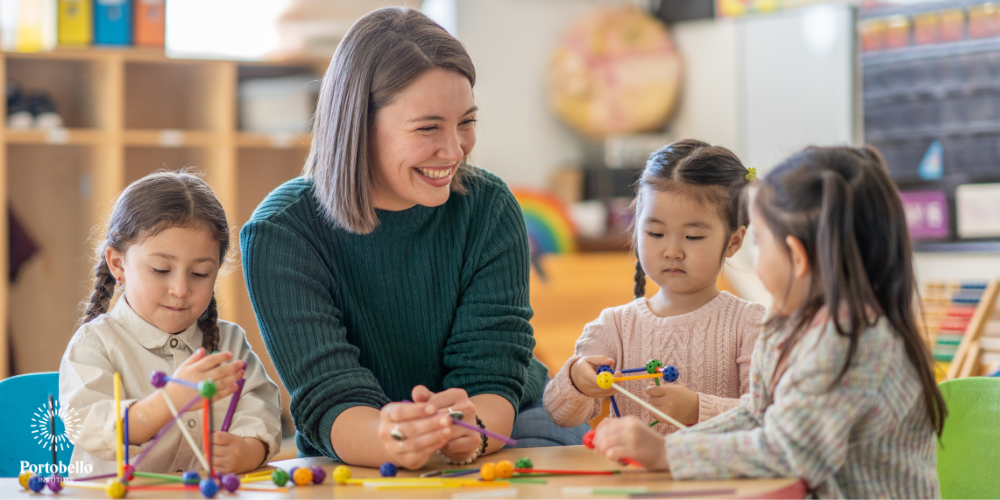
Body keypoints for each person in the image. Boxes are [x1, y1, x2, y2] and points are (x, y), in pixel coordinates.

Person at [240, 7, 586, 470]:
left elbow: (493, 376)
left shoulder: (488, 207)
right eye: (428, 127)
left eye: (466, 121)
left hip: (514, 425)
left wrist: (471, 432)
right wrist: (395, 440)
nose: (455, 149)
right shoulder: (281, 232)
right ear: (357, 125)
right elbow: (328, 398)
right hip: (361, 448)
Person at [590, 146, 945, 498]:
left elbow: (791, 453)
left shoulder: (854, 341)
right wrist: (670, 447)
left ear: (796, 257)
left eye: (759, 240)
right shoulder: (789, 327)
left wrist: (667, 454)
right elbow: (758, 414)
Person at [61, 172, 281, 476]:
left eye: (200, 273)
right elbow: (91, 426)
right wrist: (170, 400)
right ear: (117, 264)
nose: (180, 289)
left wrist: (248, 450)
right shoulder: (94, 344)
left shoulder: (229, 344)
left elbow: (261, 412)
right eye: (161, 269)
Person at [545, 140, 763, 432]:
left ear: (733, 241)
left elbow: (768, 416)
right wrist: (576, 379)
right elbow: (562, 416)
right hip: (634, 476)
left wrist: (698, 409)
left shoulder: (750, 325)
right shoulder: (613, 326)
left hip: (718, 476)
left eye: (693, 237)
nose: (672, 250)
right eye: (656, 233)